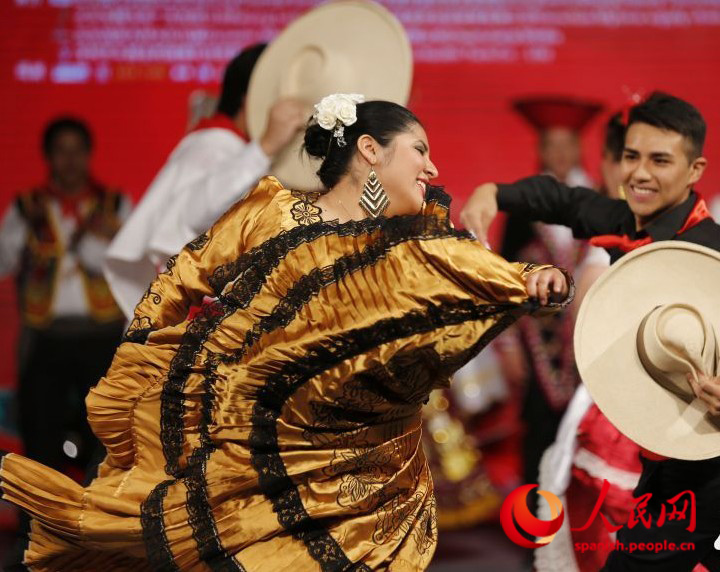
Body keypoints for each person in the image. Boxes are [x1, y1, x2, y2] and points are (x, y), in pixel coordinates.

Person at [0, 96, 571, 571]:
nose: (432, 168)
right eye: (419, 150)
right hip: (261, 461)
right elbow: (182, 276)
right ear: (369, 151)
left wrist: (537, 278)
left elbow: (470, 267)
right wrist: (144, 363)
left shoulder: (416, 241)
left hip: (371, 483)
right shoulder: (270, 212)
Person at [461, 91, 720, 571]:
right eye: (631, 157)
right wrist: (492, 193)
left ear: (695, 170)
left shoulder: (710, 254)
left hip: (704, 457)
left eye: (660, 160)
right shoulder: (627, 218)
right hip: (652, 447)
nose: (639, 173)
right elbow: (564, 200)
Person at [104, 43, 308, 319]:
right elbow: (195, 212)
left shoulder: (244, 153)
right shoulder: (212, 146)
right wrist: (266, 146)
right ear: (253, 98)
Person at [0, 116, 130, 473]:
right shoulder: (26, 208)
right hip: (46, 336)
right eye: (61, 151)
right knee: (40, 435)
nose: (70, 160)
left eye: (77, 151)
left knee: (107, 438)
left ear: (89, 155)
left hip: (101, 337)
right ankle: (37, 525)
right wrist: (25, 230)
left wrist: (106, 238)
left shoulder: (115, 205)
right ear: (48, 156)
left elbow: (132, 266)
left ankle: (101, 523)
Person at [497, 96, 603, 503]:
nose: (559, 154)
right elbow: (503, 281)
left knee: (589, 434)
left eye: (567, 145)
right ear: (540, 150)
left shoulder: (600, 203)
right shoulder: (522, 206)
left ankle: (584, 535)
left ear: (579, 148)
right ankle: (533, 537)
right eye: (551, 145)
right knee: (538, 433)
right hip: (536, 343)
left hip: (590, 340)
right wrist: (507, 347)